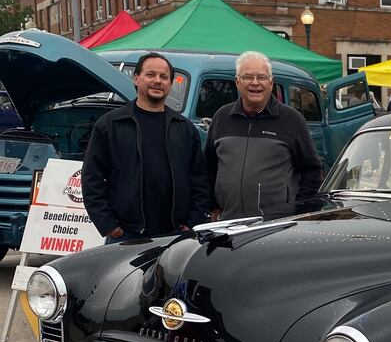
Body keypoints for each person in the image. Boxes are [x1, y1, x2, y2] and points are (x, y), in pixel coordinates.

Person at [83, 52, 209, 243]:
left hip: (175, 236)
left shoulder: (184, 128)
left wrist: (193, 221)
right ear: (136, 78)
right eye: (151, 75)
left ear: (170, 83)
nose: (158, 81)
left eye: (164, 77)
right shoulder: (110, 125)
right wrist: (108, 224)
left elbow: (199, 179)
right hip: (126, 235)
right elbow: (92, 178)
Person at [205, 50, 322, 221]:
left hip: (275, 226)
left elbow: (312, 170)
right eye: (247, 77)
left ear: (271, 82)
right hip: (228, 222)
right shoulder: (222, 117)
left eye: (261, 77)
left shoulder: (291, 120)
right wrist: (213, 206)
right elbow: (208, 167)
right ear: (237, 82)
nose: (255, 83)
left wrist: (299, 210)